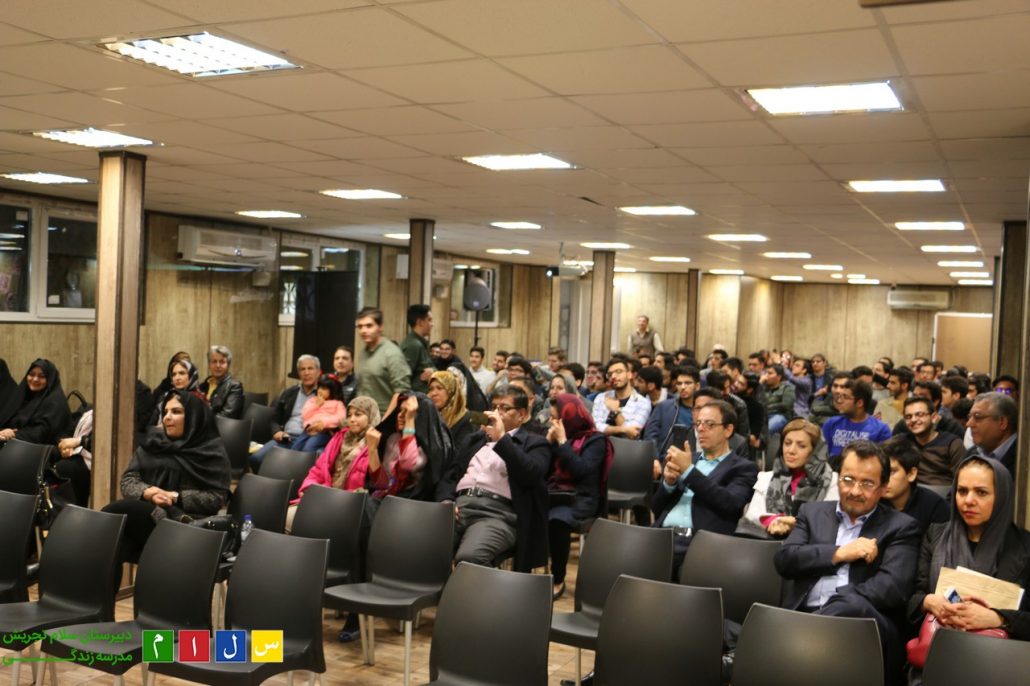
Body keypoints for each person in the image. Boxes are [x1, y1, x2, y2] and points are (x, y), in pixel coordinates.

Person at [774, 440, 921, 684]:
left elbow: (893, 588)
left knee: (851, 605)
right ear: (837, 478)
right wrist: (840, 553)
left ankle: (799, 643)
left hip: (864, 628)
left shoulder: (901, 527)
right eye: (848, 480)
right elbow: (785, 560)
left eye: (867, 483)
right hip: (802, 615)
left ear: (884, 487)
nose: (854, 491)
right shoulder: (812, 512)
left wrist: (835, 603)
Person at [907, 456, 1030, 649]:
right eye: (962, 491)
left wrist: (998, 618)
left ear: (1002, 497)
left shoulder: (1024, 546)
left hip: (1001, 657)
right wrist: (930, 602)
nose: (969, 501)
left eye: (981, 492)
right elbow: (913, 598)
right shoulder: (936, 535)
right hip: (938, 649)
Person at [103, 391, 231, 559]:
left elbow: (217, 498)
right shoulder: (154, 444)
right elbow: (128, 480)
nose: (167, 417)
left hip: (185, 524)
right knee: (113, 546)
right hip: (148, 517)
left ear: (194, 417)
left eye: (176, 412)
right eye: (165, 412)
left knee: (117, 511)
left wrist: (175, 497)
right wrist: (148, 492)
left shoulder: (211, 452)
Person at [436, 386, 551, 572]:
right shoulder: (474, 440)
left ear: (521, 415)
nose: (496, 413)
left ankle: (480, 592)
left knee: (470, 557)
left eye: (504, 408)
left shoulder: (536, 443)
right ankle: (439, 590)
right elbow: (450, 476)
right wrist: (446, 500)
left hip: (497, 515)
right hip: (459, 508)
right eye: (494, 407)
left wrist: (501, 439)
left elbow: (531, 474)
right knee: (423, 546)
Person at [652, 399, 759, 573]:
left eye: (709, 424)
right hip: (661, 536)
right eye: (698, 423)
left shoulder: (743, 468)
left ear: (728, 430)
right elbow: (656, 509)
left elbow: (730, 504)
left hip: (699, 544)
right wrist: (669, 484)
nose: (701, 429)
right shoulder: (690, 458)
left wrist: (688, 471)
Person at [546, 393, 611, 601]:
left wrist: (562, 442)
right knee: (526, 506)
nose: (552, 422)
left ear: (569, 417)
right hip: (554, 492)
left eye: (556, 418)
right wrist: (547, 444)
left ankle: (558, 578)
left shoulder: (596, 440)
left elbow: (580, 470)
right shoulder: (555, 437)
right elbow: (542, 470)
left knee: (557, 519)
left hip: (580, 498)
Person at [740, 418, 838, 539]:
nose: (791, 451)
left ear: (815, 451)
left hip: (811, 545)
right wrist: (775, 521)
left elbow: (830, 522)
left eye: (801, 446)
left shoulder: (832, 481)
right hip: (767, 542)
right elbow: (752, 516)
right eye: (787, 443)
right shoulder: (766, 478)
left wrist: (796, 524)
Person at [369, 393, 451, 507]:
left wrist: (410, 420)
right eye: (400, 410)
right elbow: (382, 484)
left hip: (414, 506)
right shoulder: (394, 439)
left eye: (407, 411)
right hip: (388, 501)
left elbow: (407, 465)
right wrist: (372, 450)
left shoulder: (432, 446)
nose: (400, 415)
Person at [249, 354, 321, 471]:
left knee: (294, 467)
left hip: (308, 441)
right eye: (302, 369)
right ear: (298, 373)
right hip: (285, 439)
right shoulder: (289, 393)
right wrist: (277, 432)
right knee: (256, 459)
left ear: (318, 372)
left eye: (310, 368)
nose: (306, 373)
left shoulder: (325, 394)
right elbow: (274, 419)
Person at [879, 435, 948, 537]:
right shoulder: (873, 501)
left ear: (911, 474)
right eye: (882, 471)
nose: (884, 478)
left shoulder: (935, 507)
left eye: (892, 472)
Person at [355, 307, 412, 416]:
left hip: (385, 417)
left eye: (369, 326)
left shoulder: (392, 353)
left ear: (380, 327)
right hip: (365, 416)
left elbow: (401, 392)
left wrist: (384, 421)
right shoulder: (364, 352)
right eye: (360, 326)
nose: (363, 330)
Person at [822, 379, 891, 467]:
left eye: (845, 397)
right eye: (840, 396)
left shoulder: (881, 429)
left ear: (859, 403)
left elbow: (883, 463)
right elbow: (823, 455)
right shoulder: (831, 423)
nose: (840, 401)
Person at [0, 358, 70, 447]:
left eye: (42, 376)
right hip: (19, 445)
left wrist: (11, 435)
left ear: (50, 380)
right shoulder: (26, 398)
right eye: (31, 374)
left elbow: (38, 434)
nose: (35, 379)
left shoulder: (55, 403)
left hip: (41, 450)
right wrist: (4, 432)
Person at [899, 396, 965, 486]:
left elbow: (962, 480)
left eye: (919, 415)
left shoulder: (952, 443)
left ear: (934, 417)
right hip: (912, 491)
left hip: (943, 491)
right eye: (908, 417)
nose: (913, 420)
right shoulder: (902, 443)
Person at [590, 356, 652, 438]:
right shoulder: (601, 398)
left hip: (626, 445)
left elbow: (632, 434)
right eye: (610, 374)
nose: (613, 376)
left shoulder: (643, 403)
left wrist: (616, 412)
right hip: (601, 443)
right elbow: (596, 427)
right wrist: (624, 429)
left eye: (618, 372)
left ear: (629, 375)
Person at [966, 391, 1018, 474]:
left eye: (977, 416)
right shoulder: (970, 454)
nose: (969, 424)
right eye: (969, 417)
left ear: (1002, 422)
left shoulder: (1022, 457)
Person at [292, 374, 345, 453]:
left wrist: (323, 423)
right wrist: (316, 405)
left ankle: (308, 461)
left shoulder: (337, 403)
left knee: (309, 447)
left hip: (324, 432)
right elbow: (305, 415)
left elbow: (341, 418)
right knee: (295, 447)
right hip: (308, 429)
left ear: (333, 390)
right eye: (319, 387)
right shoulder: (313, 400)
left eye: (324, 388)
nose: (320, 390)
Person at [427, 370, 476, 450]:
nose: (433, 393)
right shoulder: (431, 417)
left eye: (439, 388)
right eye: (431, 389)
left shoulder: (466, 418)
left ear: (451, 391)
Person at [198, 345, 244, 419]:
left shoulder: (235, 387)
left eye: (222, 362)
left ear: (228, 365)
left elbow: (227, 416)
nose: (218, 365)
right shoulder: (204, 385)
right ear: (209, 365)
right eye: (214, 361)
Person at [400, 304, 435, 394]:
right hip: (416, 397)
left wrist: (433, 372)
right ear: (420, 322)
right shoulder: (413, 345)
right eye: (429, 320)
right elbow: (403, 379)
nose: (432, 324)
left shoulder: (420, 343)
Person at [762, 364, 796, 434]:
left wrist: (768, 407)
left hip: (780, 415)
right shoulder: (763, 387)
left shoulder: (787, 388)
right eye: (766, 373)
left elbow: (786, 405)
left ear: (779, 377)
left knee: (767, 429)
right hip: (764, 415)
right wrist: (760, 383)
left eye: (770, 373)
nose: (766, 375)